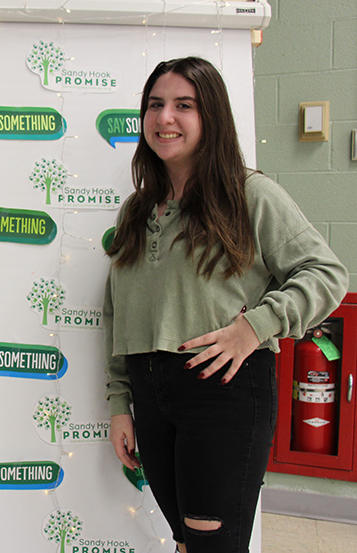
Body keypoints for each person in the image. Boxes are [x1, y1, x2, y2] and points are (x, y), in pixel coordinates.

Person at [103, 57, 347, 553]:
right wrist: (119, 402)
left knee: (215, 542)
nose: (164, 117)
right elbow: (119, 311)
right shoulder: (137, 209)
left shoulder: (249, 194)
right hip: (152, 396)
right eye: (155, 105)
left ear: (210, 115)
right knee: (187, 540)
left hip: (221, 392)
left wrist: (255, 327)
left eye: (183, 106)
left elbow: (326, 274)